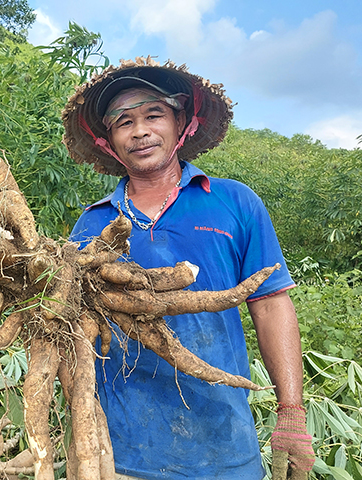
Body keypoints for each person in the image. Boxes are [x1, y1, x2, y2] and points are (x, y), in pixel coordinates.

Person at [61, 57, 315, 479]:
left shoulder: (235, 203)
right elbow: (72, 328)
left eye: (153, 115)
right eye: (123, 122)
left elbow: (271, 305)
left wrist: (291, 411)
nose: (139, 131)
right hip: (117, 452)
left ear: (183, 123)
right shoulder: (91, 225)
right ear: (108, 141)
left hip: (223, 449)